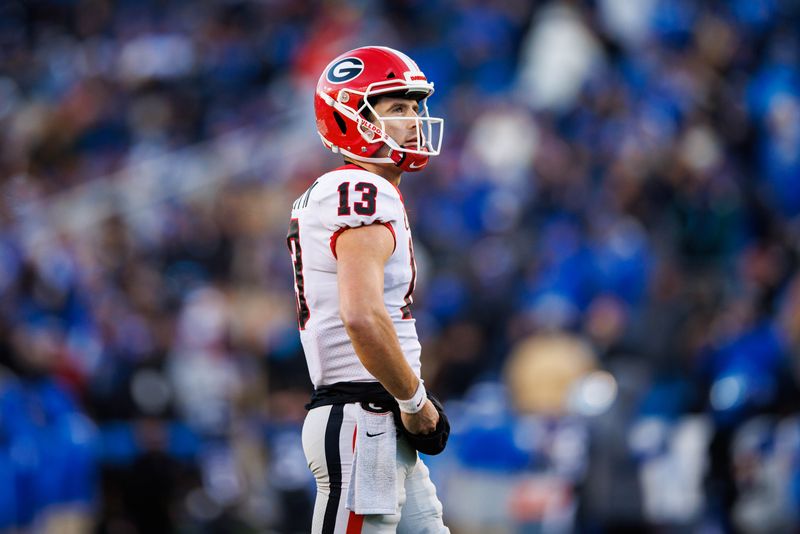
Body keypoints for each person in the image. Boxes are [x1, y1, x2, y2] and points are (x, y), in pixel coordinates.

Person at [287, 46, 450, 533]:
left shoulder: (349, 189)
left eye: (415, 107)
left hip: (376, 420)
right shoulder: (363, 190)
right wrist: (415, 402)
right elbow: (361, 314)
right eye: (397, 108)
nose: (414, 120)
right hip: (366, 418)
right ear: (351, 120)